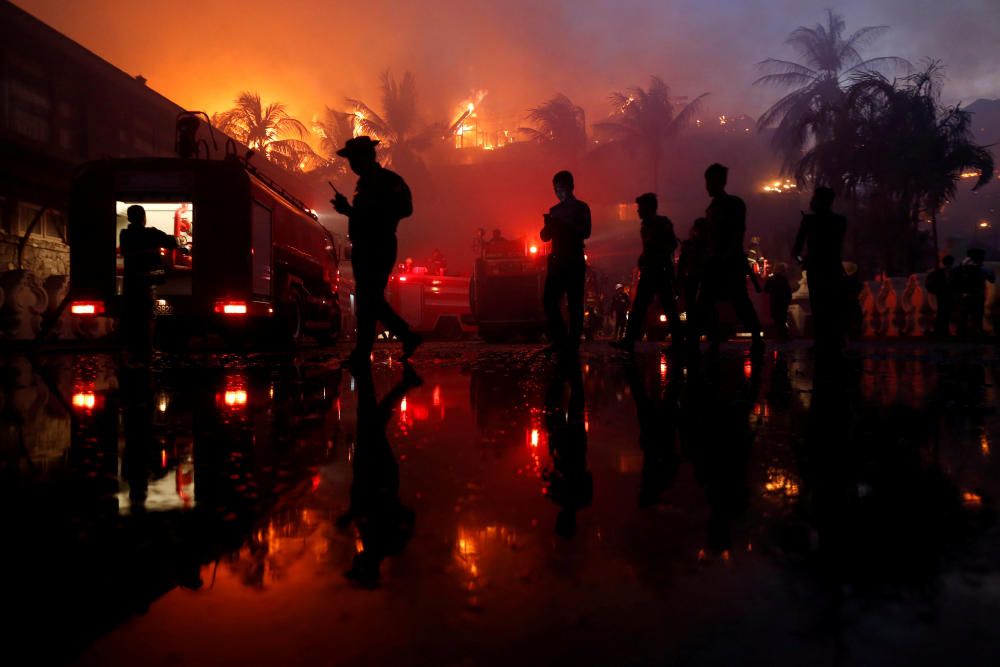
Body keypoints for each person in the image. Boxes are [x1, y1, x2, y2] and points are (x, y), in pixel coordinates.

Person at [332, 136, 422, 366]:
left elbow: (405, 209)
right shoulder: (363, 184)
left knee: (369, 299)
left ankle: (402, 336)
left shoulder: (388, 181)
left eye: (353, 159)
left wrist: (351, 212)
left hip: (378, 245)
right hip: (364, 246)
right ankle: (364, 352)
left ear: (365, 157)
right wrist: (349, 211)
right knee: (367, 300)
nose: (350, 165)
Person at [695, 163, 764, 355]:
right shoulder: (716, 206)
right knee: (709, 302)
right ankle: (716, 338)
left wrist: (725, 256)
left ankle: (755, 338)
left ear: (718, 182)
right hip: (717, 261)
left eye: (709, 182)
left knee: (738, 301)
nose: (707, 186)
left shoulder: (732, 204)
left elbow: (737, 234)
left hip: (729, 262)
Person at [612, 193, 680, 352]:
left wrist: (654, 255)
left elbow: (670, 244)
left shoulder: (661, 224)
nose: (638, 211)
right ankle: (629, 340)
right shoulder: (648, 226)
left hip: (660, 270)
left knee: (662, 306)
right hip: (651, 271)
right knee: (642, 307)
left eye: (640, 208)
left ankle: (630, 341)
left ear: (648, 208)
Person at [540, 170, 591, 353]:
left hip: (570, 260)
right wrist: (550, 225)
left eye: (558, 187)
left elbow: (585, 232)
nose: (556, 191)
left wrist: (561, 226)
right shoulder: (559, 211)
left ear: (568, 187)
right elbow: (545, 236)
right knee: (555, 301)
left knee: (571, 302)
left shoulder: (579, 209)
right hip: (564, 260)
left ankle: (568, 341)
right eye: (555, 188)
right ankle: (564, 340)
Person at [119, 204, 177, 364]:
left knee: (131, 313)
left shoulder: (124, 234)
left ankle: (131, 347)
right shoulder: (152, 233)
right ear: (143, 217)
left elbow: (125, 252)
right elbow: (173, 243)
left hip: (130, 280)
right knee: (149, 313)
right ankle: (148, 346)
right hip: (148, 279)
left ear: (129, 218)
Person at [793, 186, 847, 357]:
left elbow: (796, 250)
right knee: (833, 307)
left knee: (819, 307)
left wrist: (804, 262)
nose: (811, 201)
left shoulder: (809, 221)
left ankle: (822, 343)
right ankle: (836, 341)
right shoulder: (840, 221)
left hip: (816, 269)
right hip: (833, 268)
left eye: (814, 198)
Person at [677, 218, 709, 349]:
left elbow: (682, 265)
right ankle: (694, 338)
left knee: (694, 310)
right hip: (699, 281)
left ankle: (692, 339)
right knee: (697, 310)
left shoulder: (692, 245)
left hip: (696, 281)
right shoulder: (708, 245)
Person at [955, 248, 996, 338]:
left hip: (965, 295)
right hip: (978, 295)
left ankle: (961, 332)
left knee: (964, 315)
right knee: (977, 315)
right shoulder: (983, 269)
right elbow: (992, 279)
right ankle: (977, 331)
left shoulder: (962, 268)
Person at [925, 255, 956, 338]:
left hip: (945, 293)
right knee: (943, 312)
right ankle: (941, 330)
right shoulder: (949, 271)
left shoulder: (939, 271)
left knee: (943, 312)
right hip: (944, 293)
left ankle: (942, 330)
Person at [764, 262, 793, 340]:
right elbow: (788, 291)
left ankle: (780, 336)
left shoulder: (771, 279)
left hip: (774, 302)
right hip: (783, 302)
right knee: (782, 319)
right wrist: (789, 300)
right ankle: (783, 336)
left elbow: (766, 290)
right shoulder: (784, 279)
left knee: (777, 319)